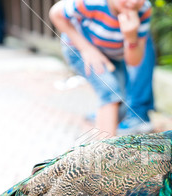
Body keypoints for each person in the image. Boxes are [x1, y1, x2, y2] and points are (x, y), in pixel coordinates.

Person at [50, 0, 155, 137]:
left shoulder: (144, 10)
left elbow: (133, 62)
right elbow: (55, 13)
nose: (134, 2)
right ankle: (104, 152)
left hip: (113, 57)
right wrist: (86, 49)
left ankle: (101, 134)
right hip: (80, 51)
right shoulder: (92, 2)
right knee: (110, 91)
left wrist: (131, 37)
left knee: (121, 106)